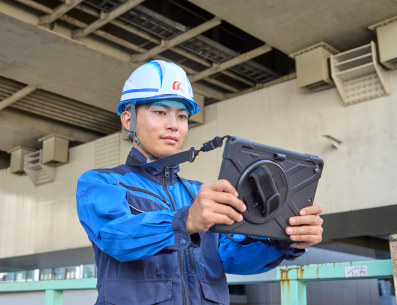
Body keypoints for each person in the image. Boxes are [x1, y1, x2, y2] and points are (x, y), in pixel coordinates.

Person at [76, 60, 323, 305]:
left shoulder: (198, 193)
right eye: (160, 112)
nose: (173, 125)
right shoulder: (101, 183)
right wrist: (186, 221)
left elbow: (231, 257)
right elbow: (115, 237)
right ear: (128, 120)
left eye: (182, 116)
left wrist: (284, 241)